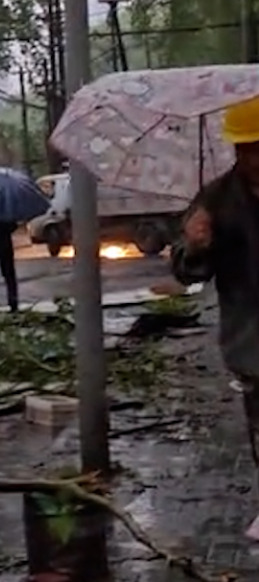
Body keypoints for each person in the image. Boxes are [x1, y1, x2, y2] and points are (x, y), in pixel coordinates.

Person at [172, 96, 259, 539]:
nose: (257, 158)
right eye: (250, 149)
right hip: (250, 332)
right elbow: (188, 273)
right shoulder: (216, 200)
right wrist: (195, 245)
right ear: (238, 151)